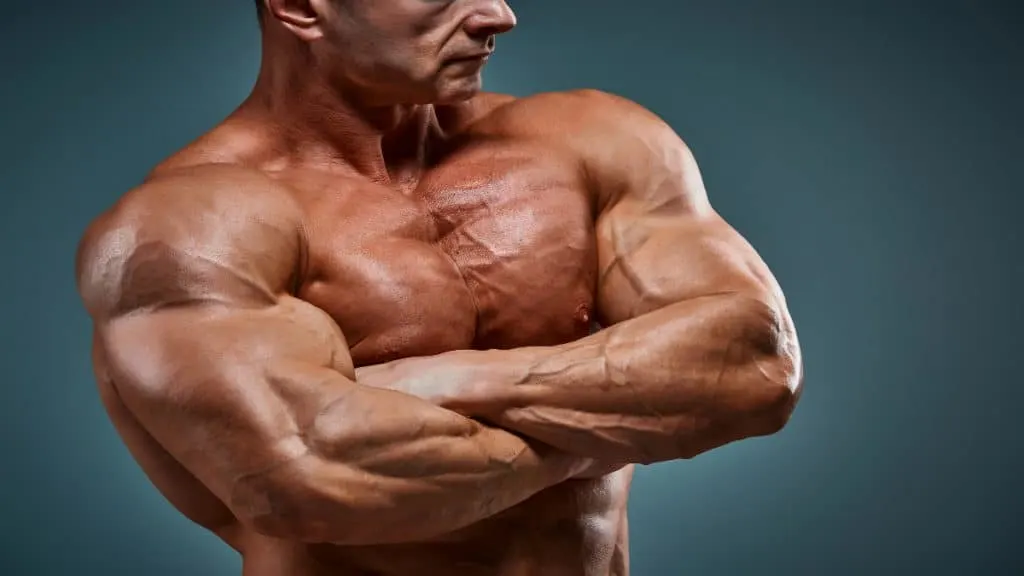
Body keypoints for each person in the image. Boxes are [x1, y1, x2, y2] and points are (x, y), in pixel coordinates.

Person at [75, 1, 804, 574]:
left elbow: (754, 363)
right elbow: (313, 475)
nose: (499, 13)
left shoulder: (595, 142)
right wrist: (635, 426)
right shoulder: (188, 223)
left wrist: (452, 378)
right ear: (301, 6)